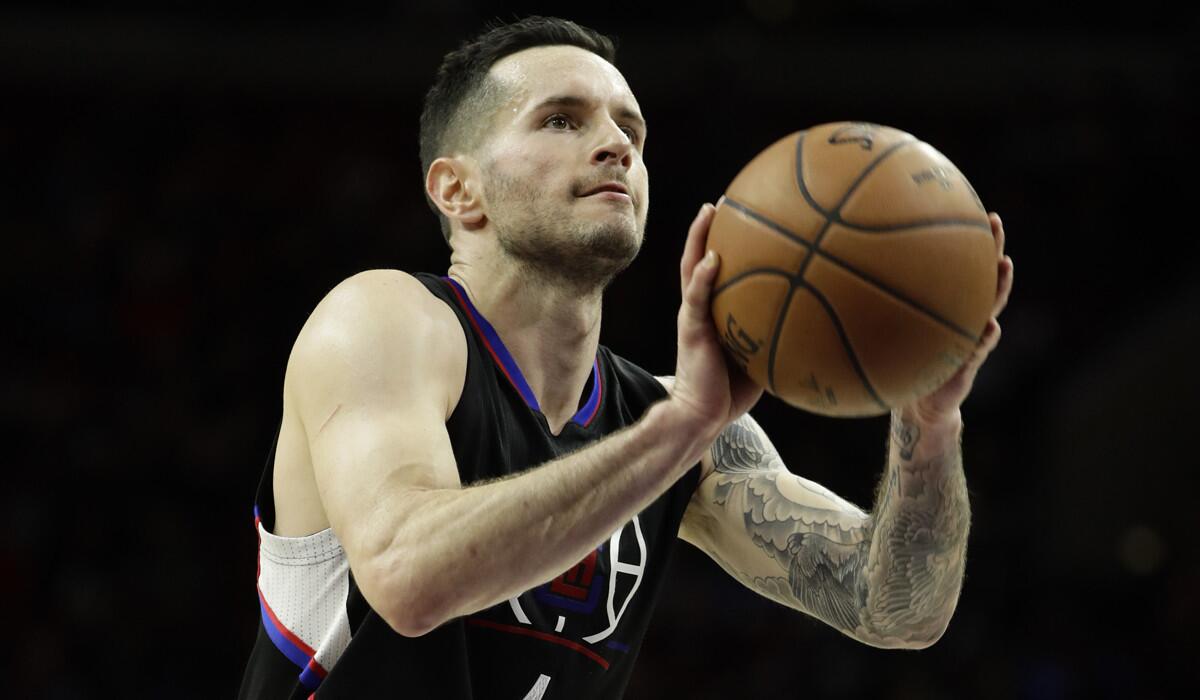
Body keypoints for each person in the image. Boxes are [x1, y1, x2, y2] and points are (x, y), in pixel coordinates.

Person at [237, 15, 1014, 700]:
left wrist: (927, 425)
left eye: (631, 132)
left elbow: (896, 609)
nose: (615, 144)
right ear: (457, 189)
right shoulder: (385, 320)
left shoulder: (676, 424)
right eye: (561, 121)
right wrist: (679, 428)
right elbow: (408, 577)